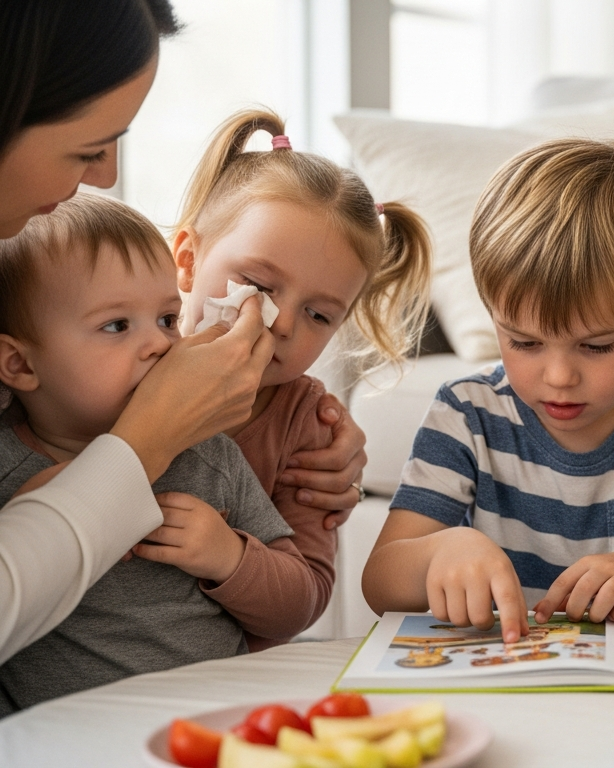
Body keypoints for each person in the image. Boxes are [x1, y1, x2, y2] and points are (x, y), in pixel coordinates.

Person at [0, 0, 366, 664]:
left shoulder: (230, 452)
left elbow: (300, 591)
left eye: (320, 313)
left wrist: (235, 547)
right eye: (87, 148)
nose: (105, 178)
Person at [362, 138, 614, 643]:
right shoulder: (467, 413)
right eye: (524, 341)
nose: (559, 377)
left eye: (595, 347)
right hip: (498, 674)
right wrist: (441, 551)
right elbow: (379, 583)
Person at [0, 193, 313, 712]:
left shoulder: (207, 455)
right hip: (61, 742)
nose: (161, 346)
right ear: (19, 365)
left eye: (168, 320)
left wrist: (229, 557)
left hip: (214, 724)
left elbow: (295, 609)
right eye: (117, 326)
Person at [171, 109, 433, 649]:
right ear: (188, 260)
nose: (283, 324)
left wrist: (230, 557)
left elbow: (304, 601)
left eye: (319, 315)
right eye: (258, 284)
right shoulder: (111, 363)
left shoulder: (306, 427)